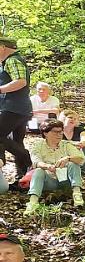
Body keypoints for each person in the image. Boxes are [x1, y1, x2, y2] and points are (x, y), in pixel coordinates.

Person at [25, 118, 85, 213]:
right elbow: (36, 162)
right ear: (45, 133)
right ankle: (33, 202)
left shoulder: (66, 145)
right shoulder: (37, 145)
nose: (59, 135)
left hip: (66, 179)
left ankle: (77, 193)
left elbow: (81, 159)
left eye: (61, 132)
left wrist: (68, 158)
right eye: (55, 132)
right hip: (48, 179)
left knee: (73, 164)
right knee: (38, 171)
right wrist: (47, 166)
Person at [0, 36, 35, 182]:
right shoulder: (9, 61)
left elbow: (20, 81)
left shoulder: (12, 60)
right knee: (16, 141)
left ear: (2, 47)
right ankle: (22, 177)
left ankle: (28, 160)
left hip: (14, 108)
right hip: (19, 108)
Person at [59, 109, 85, 174]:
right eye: (70, 117)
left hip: (77, 151)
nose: (73, 120)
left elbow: (84, 138)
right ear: (63, 119)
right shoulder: (58, 130)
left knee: (83, 148)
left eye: (75, 119)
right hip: (62, 153)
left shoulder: (80, 129)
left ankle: (82, 170)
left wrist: (81, 144)